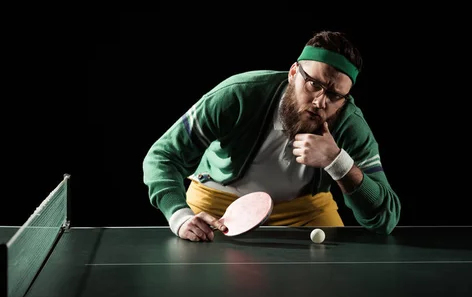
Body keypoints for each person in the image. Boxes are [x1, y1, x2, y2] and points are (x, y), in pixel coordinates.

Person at [142, 30, 401, 242]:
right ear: (292, 73)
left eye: (334, 96)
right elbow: (162, 156)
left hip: (303, 210)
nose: (320, 102)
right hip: (218, 203)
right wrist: (179, 216)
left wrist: (337, 161)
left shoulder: (349, 125)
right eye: (314, 84)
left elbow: (385, 218)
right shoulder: (240, 95)